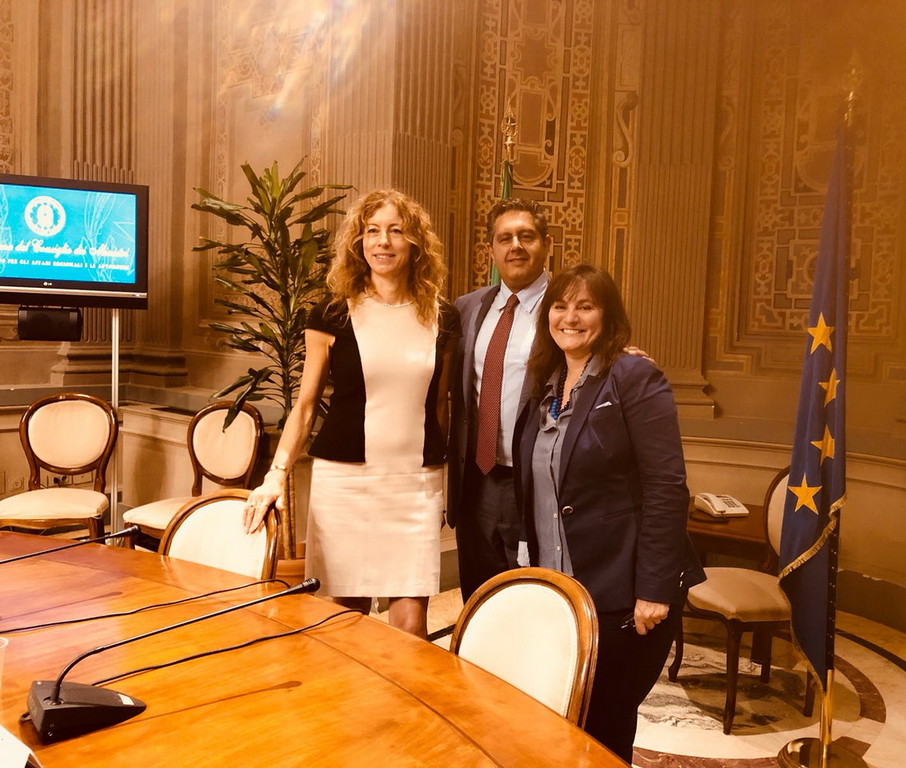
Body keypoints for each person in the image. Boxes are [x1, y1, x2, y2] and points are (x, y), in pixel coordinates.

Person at [242, 189, 459, 639]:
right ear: (359, 242)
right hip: (345, 482)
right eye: (372, 231)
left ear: (415, 242)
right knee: (346, 621)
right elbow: (305, 406)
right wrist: (275, 476)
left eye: (396, 231)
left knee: (411, 628)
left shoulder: (444, 317)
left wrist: (442, 480)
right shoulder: (332, 314)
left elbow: (439, 404)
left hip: (414, 484)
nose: (383, 241)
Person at [514, 264, 706, 762]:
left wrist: (654, 589)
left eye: (586, 306)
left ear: (608, 315)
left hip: (624, 593)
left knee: (604, 726)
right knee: (563, 720)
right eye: (560, 306)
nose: (570, 318)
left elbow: (667, 486)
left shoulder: (633, 376)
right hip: (559, 591)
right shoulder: (544, 381)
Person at [448, 198, 551, 602]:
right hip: (474, 480)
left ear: (546, 244)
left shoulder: (565, 308)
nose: (516, 246)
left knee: (527, 598)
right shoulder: (467, 307)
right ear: (491, 249)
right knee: (477, 598)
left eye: (527, 236)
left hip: (531, 482)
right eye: (505, 238)